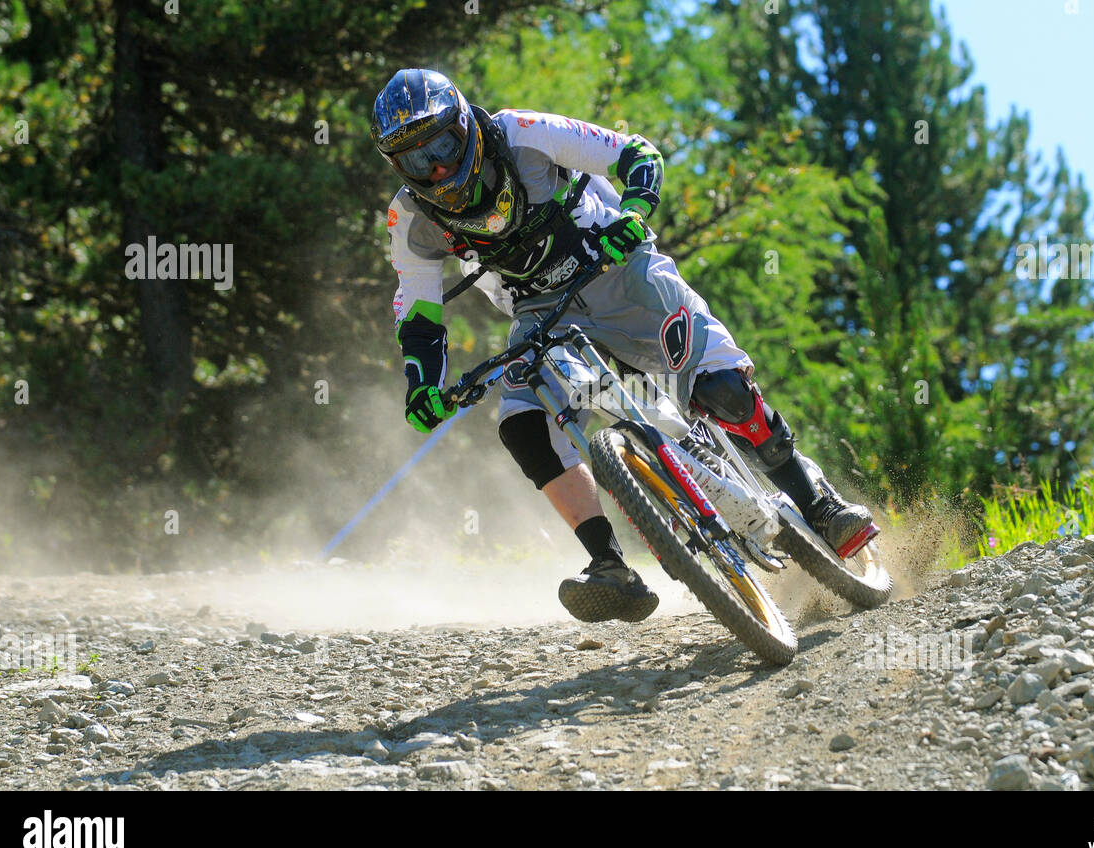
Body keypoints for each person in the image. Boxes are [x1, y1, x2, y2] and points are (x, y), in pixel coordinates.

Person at [372, 68, 874, 624]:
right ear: (398, 167)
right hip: (540, 314)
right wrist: (422, 386)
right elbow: (418, 314)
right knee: (521, 424)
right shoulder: (410, 218)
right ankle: (609, 566)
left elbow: (636, 154)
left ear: (465, 126)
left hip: (618, 266)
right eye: (417, 160)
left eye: (441, 145)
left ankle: (819, 505)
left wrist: (633, 214)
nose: (437, 168)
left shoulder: (522, 133)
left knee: (724, 389)